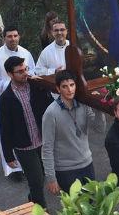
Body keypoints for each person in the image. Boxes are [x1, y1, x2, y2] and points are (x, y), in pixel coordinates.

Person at [0, 25, 35, 180]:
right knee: (6, 131)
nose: (13, 39)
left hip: (24, 98)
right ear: (4, 38)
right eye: (9, 36)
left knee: (26, 129)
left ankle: (28, 164)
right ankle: (12, 168)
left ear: (19, 36)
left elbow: (32, 72)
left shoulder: (26, 53)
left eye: (15, 36)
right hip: (4, 99)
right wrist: (8, 86)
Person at [41, 70, 105, 198]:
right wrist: (51, 178)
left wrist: (99, 108)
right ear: (58, 89)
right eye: (64, 86)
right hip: (66, 170)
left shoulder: (84, 105)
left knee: (93, 205)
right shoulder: (50, 113)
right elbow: (47, 148)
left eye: (72, 85)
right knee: (78, 211)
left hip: (87, 164)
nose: (69, 89)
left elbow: (99, 129)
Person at [0, 56, 49, 208]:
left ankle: (32, 200)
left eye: (25, 69)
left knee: (43, 176)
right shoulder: (6, 98)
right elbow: (5, 128)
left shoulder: (36, 87)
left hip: (42, 142)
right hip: (24, 147)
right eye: (19, 71)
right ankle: (42, 213)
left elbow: (50, 106)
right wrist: (8, 155)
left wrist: (43, 84)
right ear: (10, 74)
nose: (25, 73)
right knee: (36, 181)